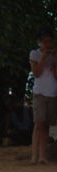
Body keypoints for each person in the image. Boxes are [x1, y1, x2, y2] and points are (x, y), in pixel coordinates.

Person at [28, 29, 57, 164]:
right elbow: (37, 73)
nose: (47, 44)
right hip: (39, 92)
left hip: (52, 92)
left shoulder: (54, 55)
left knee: (46, 125)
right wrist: (44, 56)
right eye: (45, 41)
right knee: (38, 124)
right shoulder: (35, 54)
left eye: (49, 41)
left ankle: (42, 156)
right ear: (40, 42)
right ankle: (34, 155)